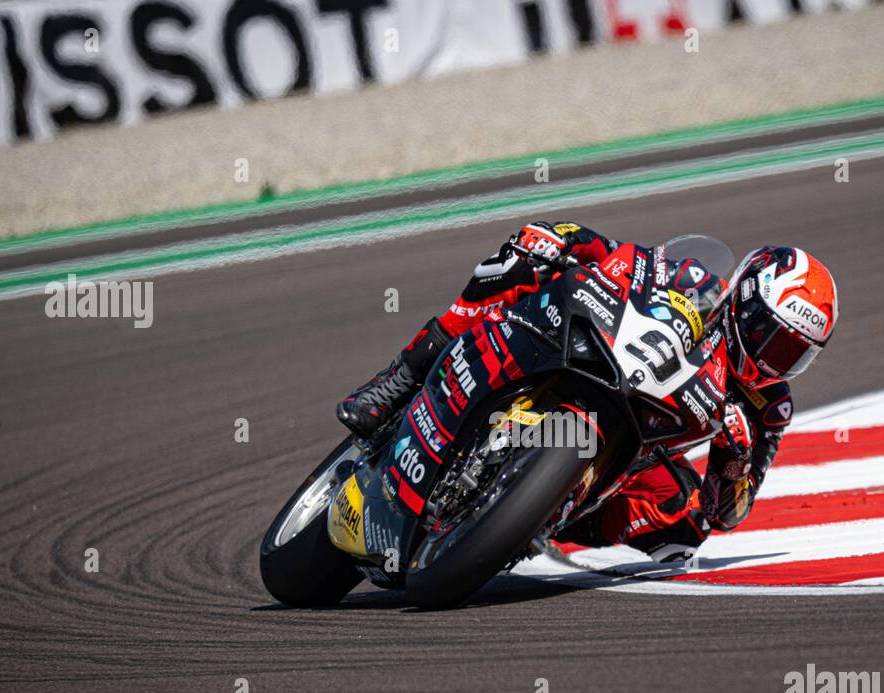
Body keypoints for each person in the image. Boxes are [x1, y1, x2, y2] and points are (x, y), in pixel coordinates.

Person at [336, 221, 839, 559]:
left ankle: (540, 519)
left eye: (796, 355)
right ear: (744, 304)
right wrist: (562, 240)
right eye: (771, 339)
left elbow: (727, 513)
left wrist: (733, 459)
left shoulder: (769, 407)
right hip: (602, 359)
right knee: (518, 271)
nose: (775, 361)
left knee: (686, 528)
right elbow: (621, 259)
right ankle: (399, 378)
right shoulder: (699, 281)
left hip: (635, 448)